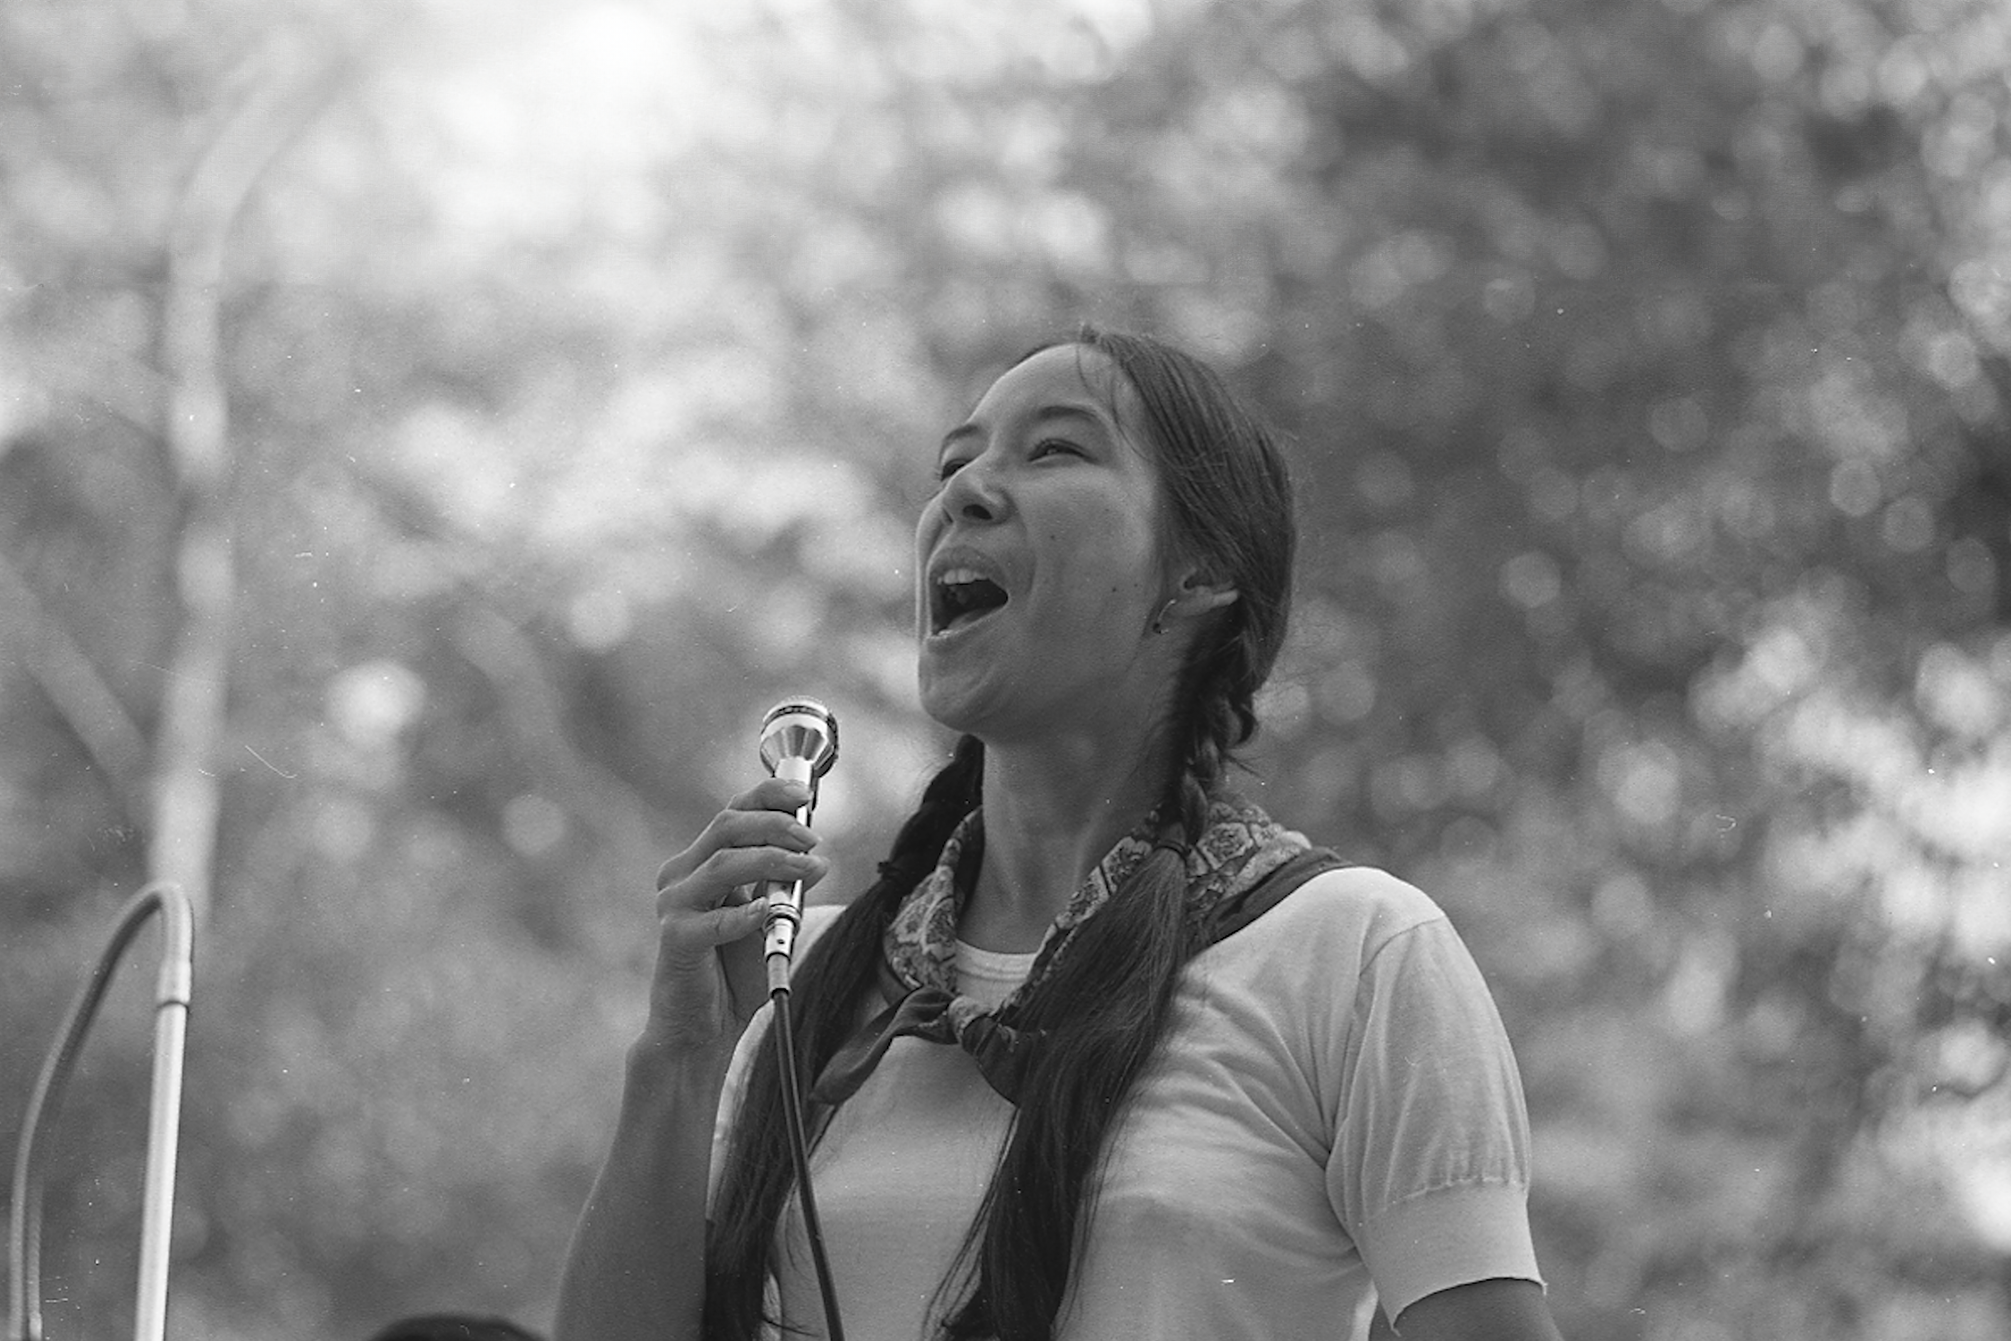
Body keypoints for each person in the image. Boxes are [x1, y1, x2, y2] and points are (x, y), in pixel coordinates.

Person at [555, 328, 1564, 1341]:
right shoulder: (795, 981)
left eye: (1054, 451)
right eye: (953, 464)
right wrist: (682, 1055)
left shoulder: (1351, 952)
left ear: (1200, 572)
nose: (965, 493)